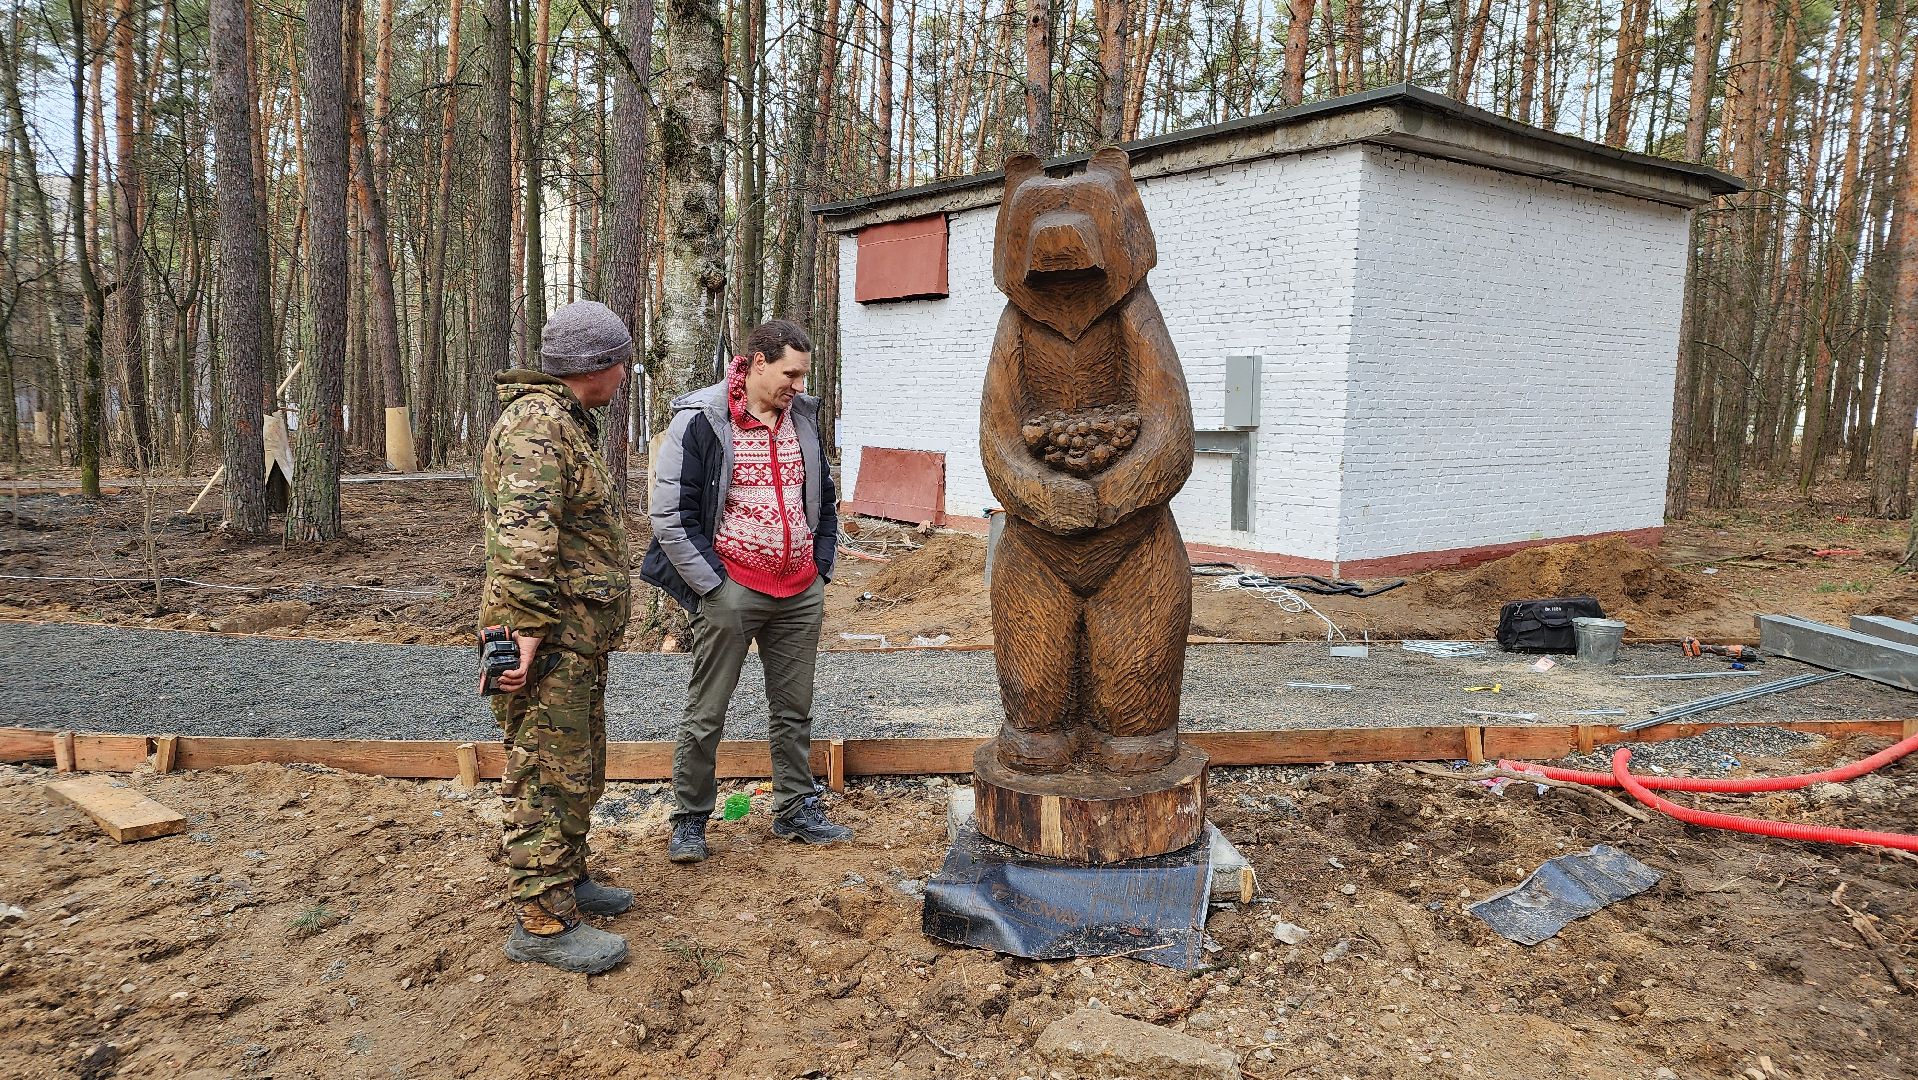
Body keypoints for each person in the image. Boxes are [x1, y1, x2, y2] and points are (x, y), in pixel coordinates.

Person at [641, 318, 852, 863]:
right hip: (733, 586)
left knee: (794, 707)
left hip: (800, 586)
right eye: (791, 373)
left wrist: (821, 563)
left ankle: (794, 808)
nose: (799, 386)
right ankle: (689, 819)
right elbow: (668, 515)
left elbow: (824, 499)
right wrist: (714, 584)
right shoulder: (703, 421)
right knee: (707, 710)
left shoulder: (802, 418)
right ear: (757, 363)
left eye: (803, 375)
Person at [480, 299, 636, 973]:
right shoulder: (538, 430)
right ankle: (540, 922)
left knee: (575, 768)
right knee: (544, 774)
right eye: (621, 361)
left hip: (573, 638)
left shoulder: (563, 425)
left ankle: (567, 882)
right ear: (596, 367)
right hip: (548, 640)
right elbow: (524, 546)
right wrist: (525, 639)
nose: (626, 373)